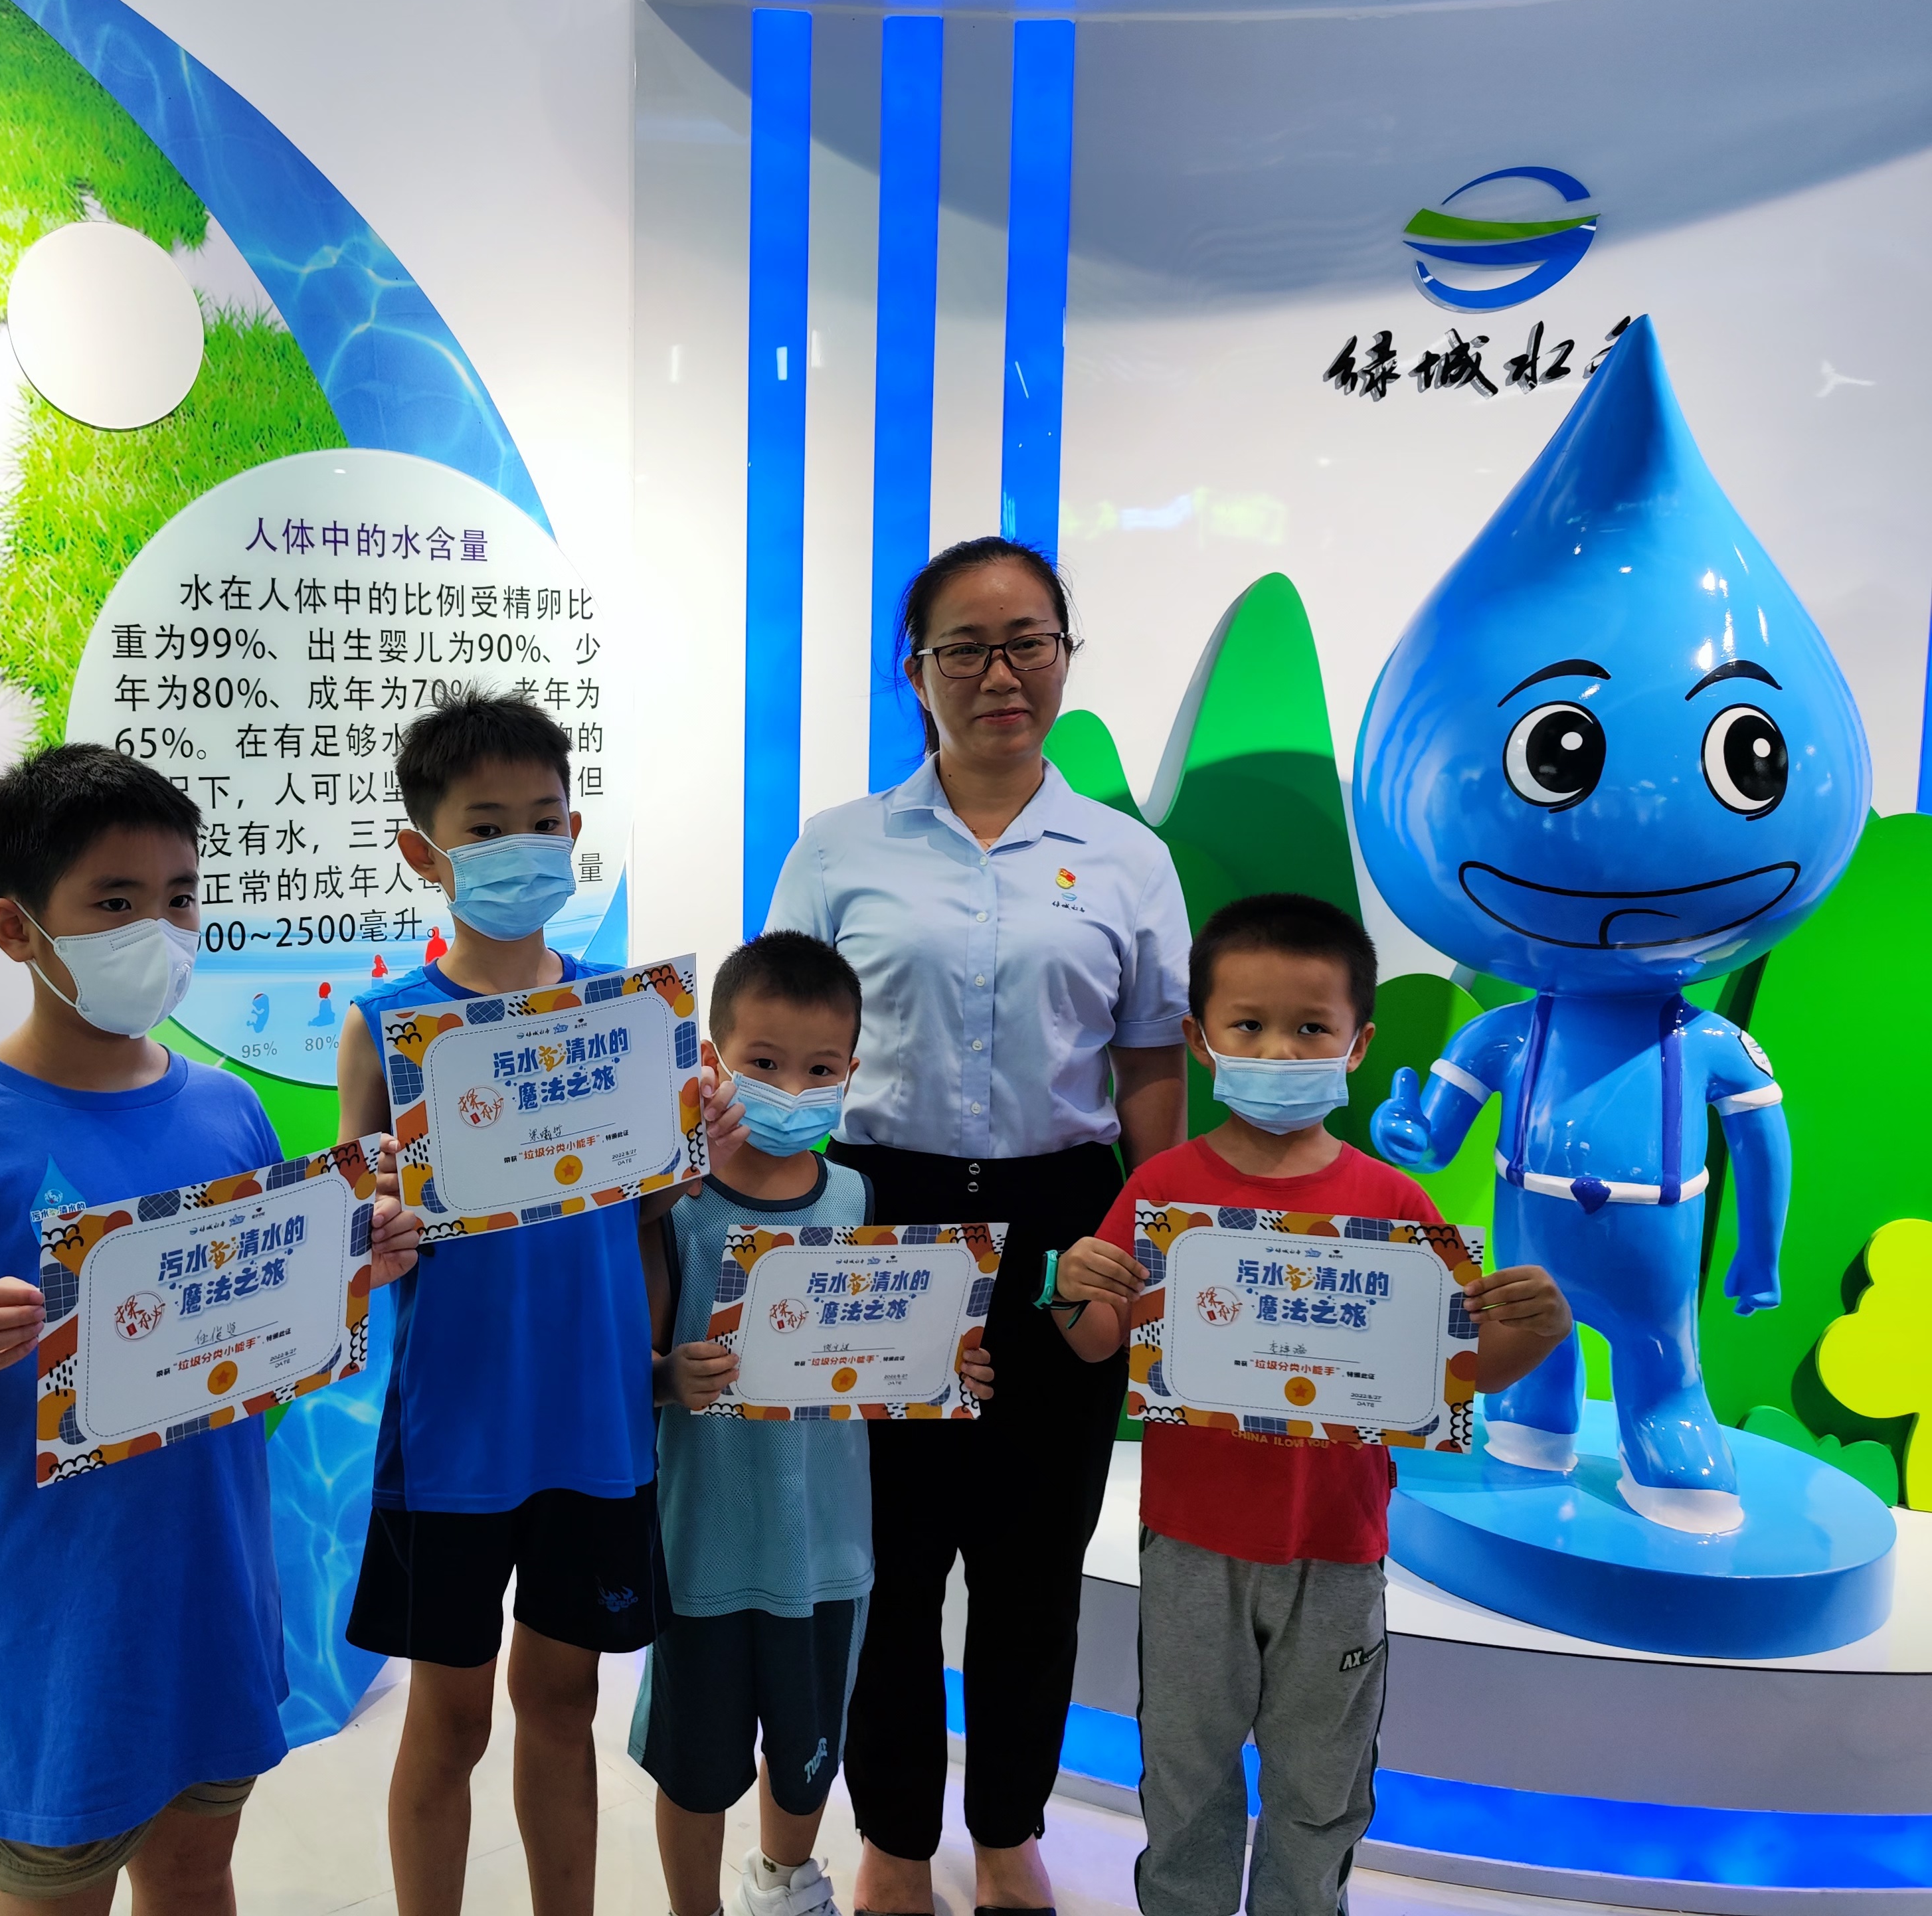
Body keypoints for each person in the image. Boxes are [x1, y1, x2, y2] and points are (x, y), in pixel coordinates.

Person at [0, 745, 424, 1916]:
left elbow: (267, 1338)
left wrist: (354, 1265)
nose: (158, 929)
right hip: (57, 1634)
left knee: (198, 1874)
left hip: (213, 1591)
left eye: (178, 897)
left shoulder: (229, 1109)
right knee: (58, 1893)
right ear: (16, 928)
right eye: (114, 903)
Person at [766, 537, 1189, 1916]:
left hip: (1064, 1223)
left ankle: (1006, 1829)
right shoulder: (839, 847)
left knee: (1033, 1560)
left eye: (1029, 642)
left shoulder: (1124, 858)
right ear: (916, 671)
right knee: (884, 1558)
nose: (1001, 674)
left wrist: (1159, 1247)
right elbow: (782, 1039)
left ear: (1064, 656)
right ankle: (893, 1836)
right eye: (966, 647)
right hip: (879, 1217)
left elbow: (1148, 1065)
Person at [1053, 893, 1573, 1916]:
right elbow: (1098, 1341)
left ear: (1358, 1043)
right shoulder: (1163, 1189)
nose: (1278, 1052)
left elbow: (1461, 1374)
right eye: (1248, 1026)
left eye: (1309, 1028)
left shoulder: (1396, 1205)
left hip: (1338, 1549)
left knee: (1320, 1787)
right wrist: (1072, 1287)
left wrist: (1538, 1330)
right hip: (1192, 1543)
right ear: (1201, 1040)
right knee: (1185, 1776)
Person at [338, 689, 742, 1916]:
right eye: (486, 826)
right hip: (455, 1430)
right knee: (450, 1717)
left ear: (573, 831)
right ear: (424, 852)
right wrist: (377, 1225)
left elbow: (653, 1214)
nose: (523, 846)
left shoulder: (630, 1016)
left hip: (595, 1421)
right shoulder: (387, 1028)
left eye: (544, 820)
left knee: (562, 1704)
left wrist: (705, 1146)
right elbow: (360, 1232)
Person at [628, 931, 999, 1916]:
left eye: (820, 1069)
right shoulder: (676, 1205)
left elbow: (891, 1344)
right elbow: (633, 1362)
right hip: (702, 1547)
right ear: (714, 1060)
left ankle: (784, 1884)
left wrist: (948, 1363)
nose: (792, 1089)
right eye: (763, 1064)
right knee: (696, 1767)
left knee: (806, 1755)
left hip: (828, 1548)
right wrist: (667, 1379)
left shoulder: (858, 1198)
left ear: (852, 1072)